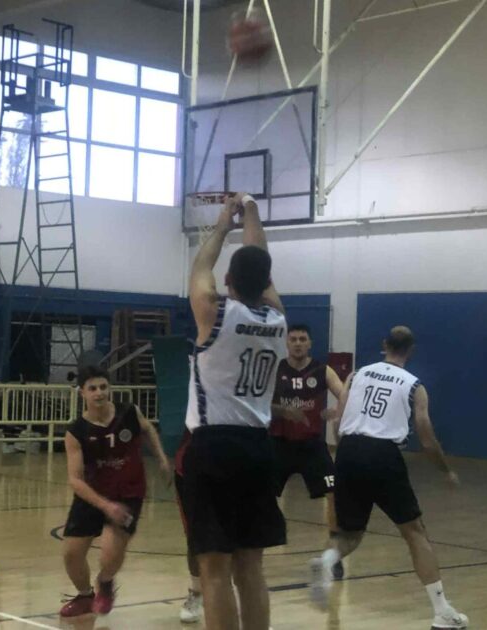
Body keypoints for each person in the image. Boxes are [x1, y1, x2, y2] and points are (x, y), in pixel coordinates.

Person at [309, 326, 468, 629]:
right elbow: (427, 439)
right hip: (383, 454)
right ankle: (442, 612)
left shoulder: (356, 375)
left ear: (385, 345)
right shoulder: (414, 386)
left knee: (350, 534)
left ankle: (327, 561)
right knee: (415, 532)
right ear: (411, 350)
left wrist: (346, 456)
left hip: (348, 452)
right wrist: (445, 469)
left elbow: (339, 420)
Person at [182, 192, 287, 630]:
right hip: (259, 448)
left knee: (214, 569)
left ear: (228, 279)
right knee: (251, 567)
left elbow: (199, 269)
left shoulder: (214, 313)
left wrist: (225, 221)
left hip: (214, 447)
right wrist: (252, 210)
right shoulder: (278, 318)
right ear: (266, 282)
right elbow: (260, 261)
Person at [59, 366, 171, 618]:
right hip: (93, 494)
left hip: (127, 493)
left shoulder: (128, 413)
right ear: (82, 393)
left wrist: (162, 458)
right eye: (92, 388)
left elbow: (147, 429)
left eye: (103, 387)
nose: (99, 393)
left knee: (110, 554)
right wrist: (105, 505)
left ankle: (106, 581)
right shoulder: (76, 432)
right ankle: (85, 596)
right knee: (71, 554)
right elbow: (75, 480)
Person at [270, 323, 345, 576]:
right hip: (279, 443)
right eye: (293, 339)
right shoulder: (276, 369)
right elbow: (257, 401)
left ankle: (334, 554)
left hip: (311, 445)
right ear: (287, 343)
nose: (298, 343)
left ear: (310, 343)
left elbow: (345, 395)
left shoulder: (322, 370)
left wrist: (337, 410)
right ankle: (252, 548)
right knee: (259, 493)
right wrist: (282, 411)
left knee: (334, 491)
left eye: (303, 339)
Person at [174, 429, 203, 623]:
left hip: (239, 461)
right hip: (191, 469)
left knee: (244, 542)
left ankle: (250, 611)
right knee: (195, 539)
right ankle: (196, 591)